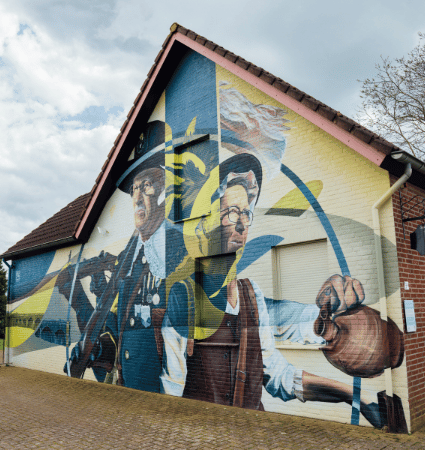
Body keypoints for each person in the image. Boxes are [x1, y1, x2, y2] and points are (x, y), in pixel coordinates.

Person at [162, 153, 384, 427]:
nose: (242, 224)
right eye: (231, 212)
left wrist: (356, 396)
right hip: (204, 433)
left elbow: (277, 376)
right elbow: (171, 391)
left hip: (253, 433)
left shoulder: (251, 296)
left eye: (246, 213)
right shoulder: (184, 298)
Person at [63, 120, 186, 391]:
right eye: (135, 189)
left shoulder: (177, 248)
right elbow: (120, 326)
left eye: (147, 185)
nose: (138, 197)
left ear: (165, 189)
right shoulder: (131, 259)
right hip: (129, 388)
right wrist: (95, 348)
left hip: (161, 393)